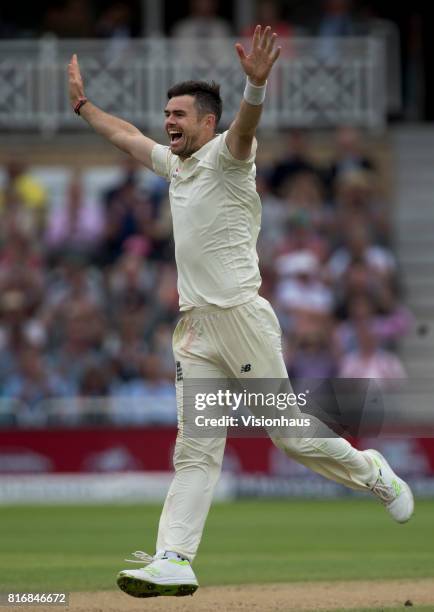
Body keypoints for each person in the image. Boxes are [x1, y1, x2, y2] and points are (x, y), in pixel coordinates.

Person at [68, 25, 414, 599]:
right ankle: (174, 558)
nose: (168, 122)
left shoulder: (230, 159)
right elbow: (126, 137)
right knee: (196, 449)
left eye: (179, 114)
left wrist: (255, 89)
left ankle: (371, 470)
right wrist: (82, 106)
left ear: (208, 122)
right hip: (196, 328)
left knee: (288, 437)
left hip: (241, 320)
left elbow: (247, 131)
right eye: (166, 113)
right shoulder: (175, 167)